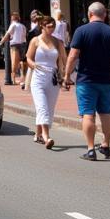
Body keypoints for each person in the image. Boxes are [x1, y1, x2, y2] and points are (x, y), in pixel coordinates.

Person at [63, 2, 110, 160]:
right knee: (106, 114)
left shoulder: (81, 31)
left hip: (86, 80)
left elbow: (73, 55)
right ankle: (105, 144)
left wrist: (66, 75)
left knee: (88, 115)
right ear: (105, 15)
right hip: (108, 80)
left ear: (90, 14)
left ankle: (91, 149)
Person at [25, 15, 66, 149]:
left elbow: (63, 60)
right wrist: (34, 65)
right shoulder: (35, 41)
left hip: (53, 79)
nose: (52, 29)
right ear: (42, 26)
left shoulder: (57, 42)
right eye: (49, 26)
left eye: (53, 26)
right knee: (42, 107)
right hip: (38, 78)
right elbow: (28, 58)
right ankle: (46, 136)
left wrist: (65, 76)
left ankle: (37, 135)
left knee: (49, 108)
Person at [1, 11, 28, 86]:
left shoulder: (13, 25)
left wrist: (2, 41)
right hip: (22, 44)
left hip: (14, 44)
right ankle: (22, 78)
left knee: (14, 62)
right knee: (22, 61)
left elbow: (7, 34)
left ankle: (13, 80)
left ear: (12, 18)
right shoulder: (23, 26)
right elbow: (24, 36)